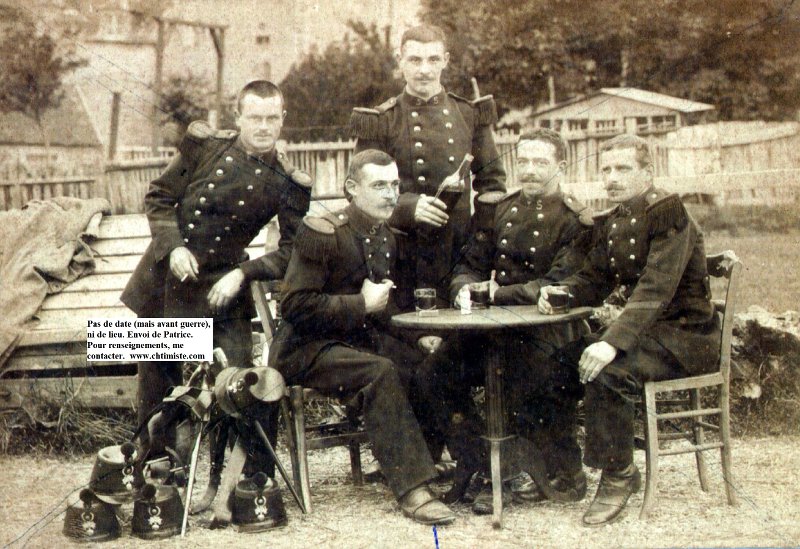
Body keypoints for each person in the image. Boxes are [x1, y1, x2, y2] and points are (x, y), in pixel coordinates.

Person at [121, 80, 311, 496]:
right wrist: (173, 248)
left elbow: (293, 250)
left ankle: (247, 482)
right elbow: (158, 196)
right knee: (157, 380)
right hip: (168, 278)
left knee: (243, 380)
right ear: (238, 117)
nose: (263, 126)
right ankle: (156, 477)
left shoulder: (289, 182)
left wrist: (244, 273)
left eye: (271, 118)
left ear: (283, 120)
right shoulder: (204, 147)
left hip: (223, 287)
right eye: (254, 117)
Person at [538, 134, 720, 526]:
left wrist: (611, 343)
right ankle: (567, 470)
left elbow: (656, 288)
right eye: (606, 168)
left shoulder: (669, 213)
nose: (612, 177)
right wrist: (561, 294)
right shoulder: (618, 218)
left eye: (623, 168)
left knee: (609, 370)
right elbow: (594, 277)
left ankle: (619, 474)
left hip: (685, 338)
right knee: (555, 364)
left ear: (647, 173)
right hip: (645, 335)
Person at [268, 150, 456, 526]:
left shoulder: (385, 235)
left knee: (428, 362)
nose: (390, 195)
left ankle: (430, 459)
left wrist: (417, 339)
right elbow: (294, 305)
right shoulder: (323, 232)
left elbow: (383, 307)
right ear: (352, 188)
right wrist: (360, 304)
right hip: (305, 349)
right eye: (379, 185)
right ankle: (413, 488)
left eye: (394, 185)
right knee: (380, 370)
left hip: (352, 345)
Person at [414, 129, 593, 514]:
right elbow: (469, 262)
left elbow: (555, 285)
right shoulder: (502, 208)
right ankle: (482, 463)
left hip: (549, 331)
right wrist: (464, 288)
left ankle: (546, 470)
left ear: (560, 166)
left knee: (522, 376)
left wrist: (493, 295)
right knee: (433, 374)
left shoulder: (576, 220)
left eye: (540, 162)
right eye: (523, 161)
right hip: (495, 331)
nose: (529, 170)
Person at [349, 23, 506, 309]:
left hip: (458, 258)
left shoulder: (468, 114)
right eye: (415, 60)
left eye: (433, 60)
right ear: (400, 62)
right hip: (400, 256)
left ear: (445, 60)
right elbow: (357, 193)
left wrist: (479, 244)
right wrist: (408, 208)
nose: (424, 70)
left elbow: (492, 186)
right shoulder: (382, 120)